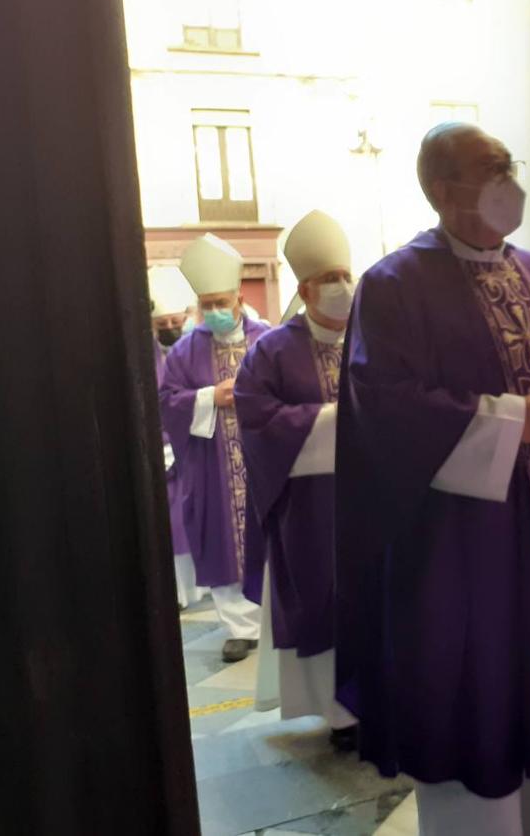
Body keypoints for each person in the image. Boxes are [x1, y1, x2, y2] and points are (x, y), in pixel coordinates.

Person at [335, 123, 530, 836]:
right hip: (473, 554)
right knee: (486, 708)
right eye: (488, 169)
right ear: (442, 190)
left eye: (509, 165)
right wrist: (515, 422)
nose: (507, 180)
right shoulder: (393, 285)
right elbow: (384, 405)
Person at [235, 210, 358, 747]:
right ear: (305, 289)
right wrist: (338, 423)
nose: (341, 287)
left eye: (345, 275)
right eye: (329, 279)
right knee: (325, 598)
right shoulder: (272, 350)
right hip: (311, 505)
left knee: (381, 601)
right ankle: (343, 717)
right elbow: (256, 417)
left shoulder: (376, 338)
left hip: (377, 501)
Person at [160, 233, 269, 663]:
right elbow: (167, 400)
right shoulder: (187, 349)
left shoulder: (269, 340)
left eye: (222, 302)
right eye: (208, 305)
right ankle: (240, 628)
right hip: (213, 465)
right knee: (220, 535)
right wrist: (209, 397)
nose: (216, 312)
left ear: (240, 298)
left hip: (262, 462)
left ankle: (275, 618)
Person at [147, 264, 204, 609]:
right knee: (171, 524)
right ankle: (178, 593)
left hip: (195, 447)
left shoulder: (194, 349)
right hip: (163, 453)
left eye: (174, 323)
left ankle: (203, 587)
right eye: (161, 325)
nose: (169, 329)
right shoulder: (144, 355)